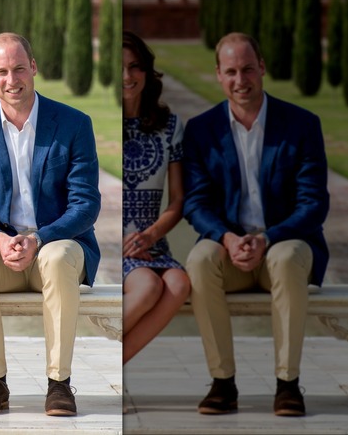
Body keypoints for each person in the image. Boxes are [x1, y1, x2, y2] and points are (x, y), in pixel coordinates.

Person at [182, 32, 329, 417]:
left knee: (285, 256)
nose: (240, 80)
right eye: (230, 71)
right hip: (229, 249)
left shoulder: (301, 125)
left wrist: (267, 238)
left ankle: (287, 384)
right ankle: (222, 383)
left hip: (284, 244)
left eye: (248, 69)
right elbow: (195, 203)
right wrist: (227, 238)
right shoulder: (201, 130)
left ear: (261, 68)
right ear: (218, 75)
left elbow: (314, 203)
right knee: (199, 260)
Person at [0, 32, 100, 417]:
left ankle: (59, 384)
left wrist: (39, 238)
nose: (11, 79)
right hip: (3, 251)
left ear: (33, 67)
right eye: (2, 71)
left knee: (55, 257)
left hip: (58, 247)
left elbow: (86, 204)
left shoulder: (73, 124)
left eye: (19, 68)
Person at [121, 31, 191, 365]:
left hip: (153, 241)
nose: (126, 76)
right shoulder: (99, 125)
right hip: (115, 246)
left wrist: (150, 235)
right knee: (148, 286)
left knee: (178, 283)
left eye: (134, 67)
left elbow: (178, 200)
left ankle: (114, 365)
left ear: (147, 72)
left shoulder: (169, 126)